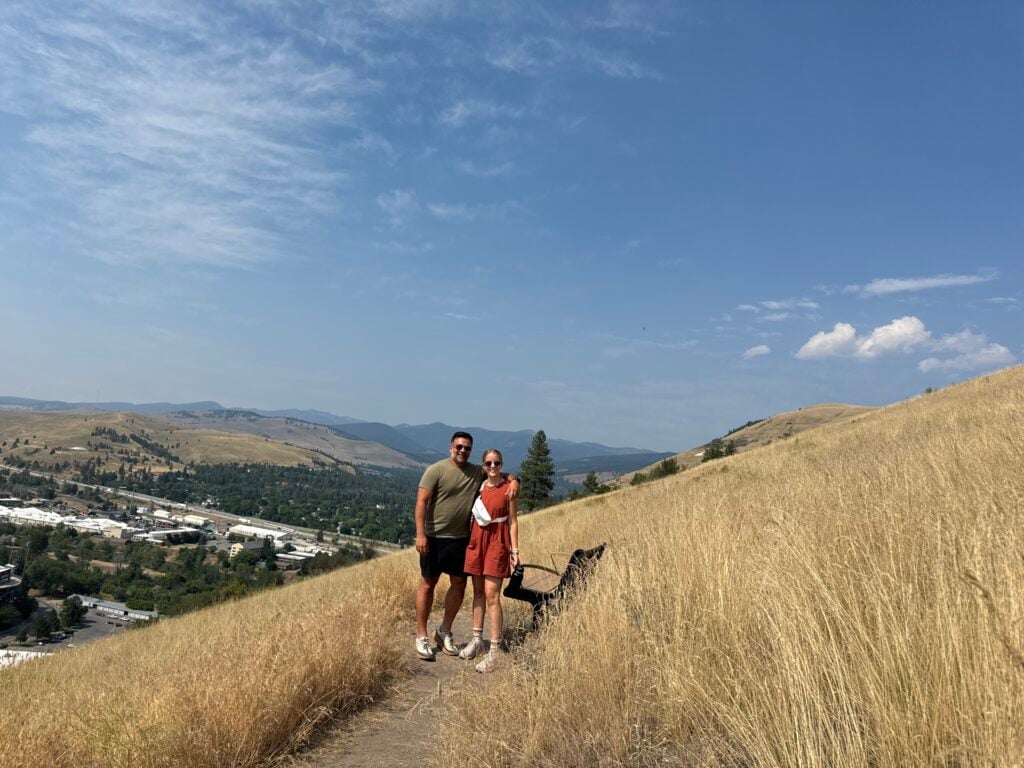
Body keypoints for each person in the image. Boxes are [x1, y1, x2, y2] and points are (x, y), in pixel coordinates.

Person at [413, 432, 517, 661]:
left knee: (459, 584)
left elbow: (499, 473)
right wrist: (420, 534)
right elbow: (421, 501)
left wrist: (515, 479)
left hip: (461, 538)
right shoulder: (436, 470)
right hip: (434, 537)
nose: (462, 450)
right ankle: (421, 636)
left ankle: (444, 631)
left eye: (467, 448)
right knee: (428, 584)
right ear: (451, 446)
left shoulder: (476, 471)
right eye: (459, 446)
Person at [458, 448, 520, 673]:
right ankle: (477, 640)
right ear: (483, 465)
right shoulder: (480, 485)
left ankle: (494, 650)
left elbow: (513, 521)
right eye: (488, 463)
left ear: (502, 465)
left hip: (497, 543)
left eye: (497, 463)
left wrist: (514, 551)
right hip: (477, 542)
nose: (492, 467)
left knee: (492, 596)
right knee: (477, 592)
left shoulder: (508, 488)